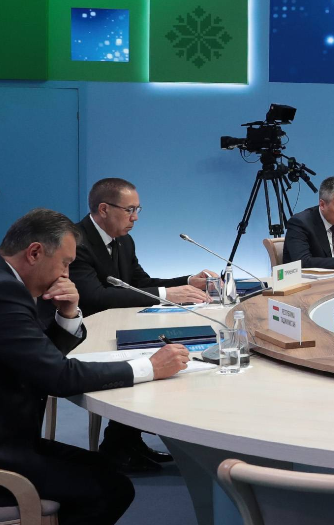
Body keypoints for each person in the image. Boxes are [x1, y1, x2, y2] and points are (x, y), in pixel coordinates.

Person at [0, 209, 190, 525]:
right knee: (111, 490)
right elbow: (58, 377)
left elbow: (37, 359)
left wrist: (67, 314)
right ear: (35, 252)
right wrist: (149, 367)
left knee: (104, 467)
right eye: (65, 263)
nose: (66, 275)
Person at [66, 178, 215, 472]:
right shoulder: (77, 242)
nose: (135, 218)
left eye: (138, 210)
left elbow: (140, 283)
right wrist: (166, 295)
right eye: (130, 210)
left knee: (167, 353)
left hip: (117, 326)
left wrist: (187, 282)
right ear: (104, 209)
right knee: (154, 360)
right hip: (84, 334)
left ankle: (126, 441)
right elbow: (95, 297)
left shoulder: (123, 239)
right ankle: (118, 446)